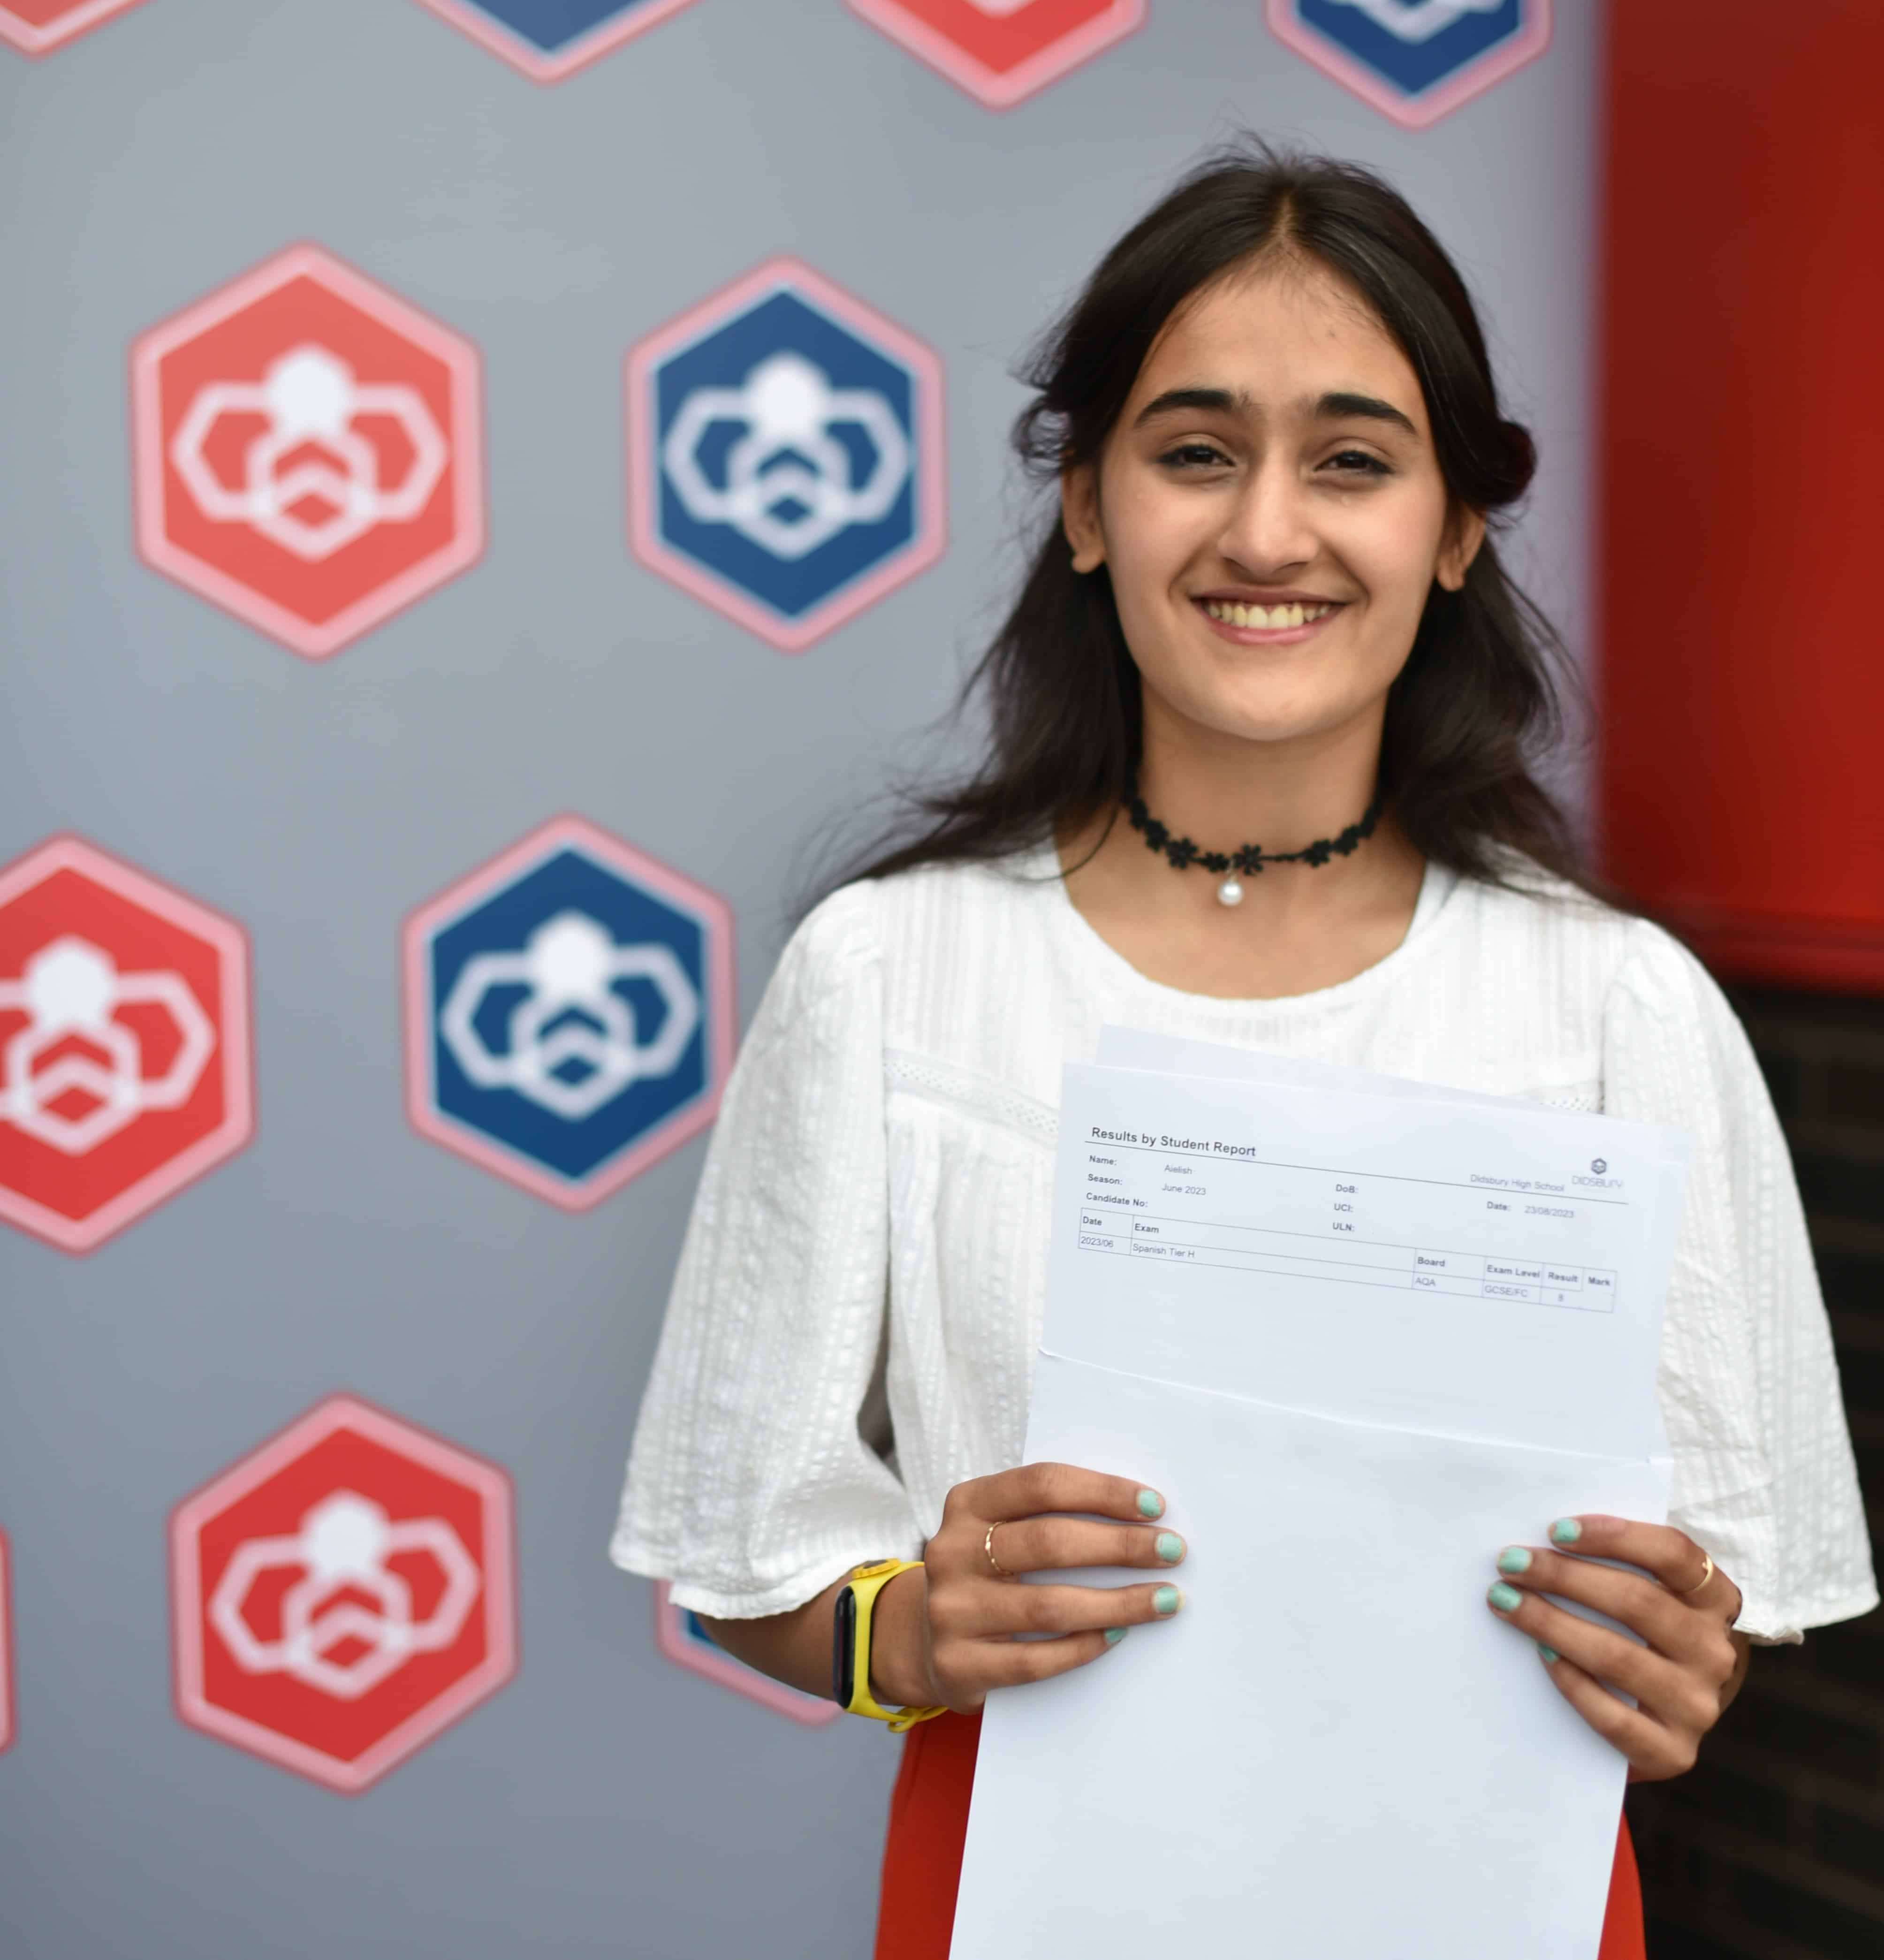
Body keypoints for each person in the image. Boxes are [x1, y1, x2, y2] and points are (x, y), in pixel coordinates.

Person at [609, 144, 1875, 1956]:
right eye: (1196, 449)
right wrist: (903, 1633)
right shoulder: (889, 970)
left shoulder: (1620, 1008)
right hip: (1022, 1897)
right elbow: (752, 1545)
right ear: (1086, 505)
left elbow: (1729, 1584)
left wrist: (1684, 1661)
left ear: (1453, 531)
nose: (1267, 531)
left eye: (1352, 460)